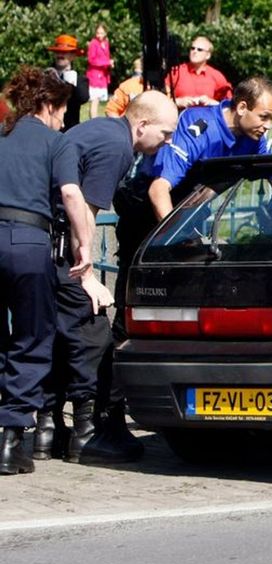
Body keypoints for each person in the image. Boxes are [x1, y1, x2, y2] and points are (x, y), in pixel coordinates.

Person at [108, 78, 272, 418]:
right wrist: (173, 244)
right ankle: (109, 411)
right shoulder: (198, 126)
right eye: (264, 117)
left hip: (185, 225)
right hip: (148, 221)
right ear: (241, 108)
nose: (268, 126)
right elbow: (158, 192)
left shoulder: (253, 138)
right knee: (132, 316)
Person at [31, 91, 179, 465]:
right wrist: (88, 276)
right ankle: (88, 433)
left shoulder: (98, 129)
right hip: (62, 245)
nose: (169, 141)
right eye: (165, 132)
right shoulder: (117, 147)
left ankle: (48, 429)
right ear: (141, 124)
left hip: (39, 242)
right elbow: (84, 213)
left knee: (57, 333)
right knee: (92, 331)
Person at [0, 66, 95, 475]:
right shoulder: (56, 143)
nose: (63, 118)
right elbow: (72, 194)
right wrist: (86, 247)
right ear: (47, 104)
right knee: (31, 338)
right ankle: (10, 441)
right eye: (61, 109)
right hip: (27, 243)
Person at [167, 36, 232, 109]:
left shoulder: (217, 76)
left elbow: (229, 106)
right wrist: (178, 102)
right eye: (192, 48)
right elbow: (160, 101)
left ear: (208, 55)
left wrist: (211, 102)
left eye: (199, 49)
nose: (195, 51)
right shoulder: (175, 72)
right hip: (180, 117)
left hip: (207, 119)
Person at [47, 34, 90, 131]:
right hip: (47, 130)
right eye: (58, 52)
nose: (60, 55)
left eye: (65, 52)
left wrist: (73, 84)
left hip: (70, 130)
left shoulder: (80, 79)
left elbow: (83, 98)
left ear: (73, 56)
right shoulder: (46, 75)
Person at [86, 23, 114, 118]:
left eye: (102, 33)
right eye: (98, 33)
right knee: (94, 101)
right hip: (95, 76)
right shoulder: (93, 43)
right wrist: (106, 62)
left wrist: (109, 63)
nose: (99, 35)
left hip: (103, 76)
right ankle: (93, 122)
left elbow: (106, 56)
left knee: (98, 101)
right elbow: (91, 60)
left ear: (106, 33)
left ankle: (95, 121)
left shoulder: (106, 43)